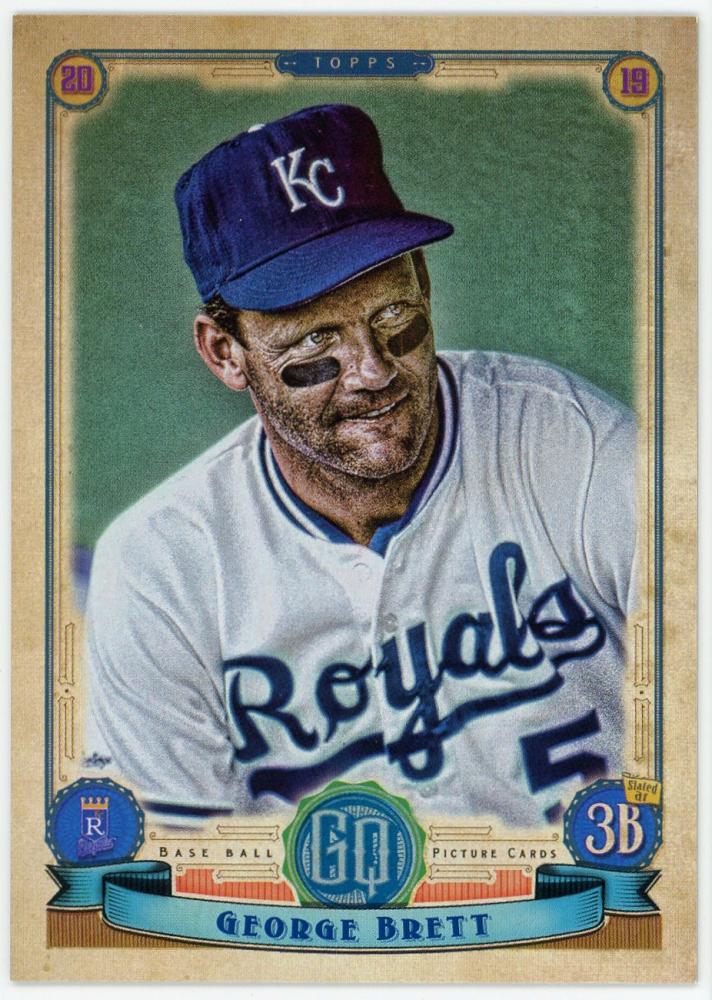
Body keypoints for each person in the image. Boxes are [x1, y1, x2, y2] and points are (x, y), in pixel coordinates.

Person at [85, 104, 638, 828]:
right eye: (315, 343)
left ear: (424, 285)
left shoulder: (576, 449)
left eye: (392, 319)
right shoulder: (161, 566)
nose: (373, 371)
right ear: (226, 352)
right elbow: (173, 864)